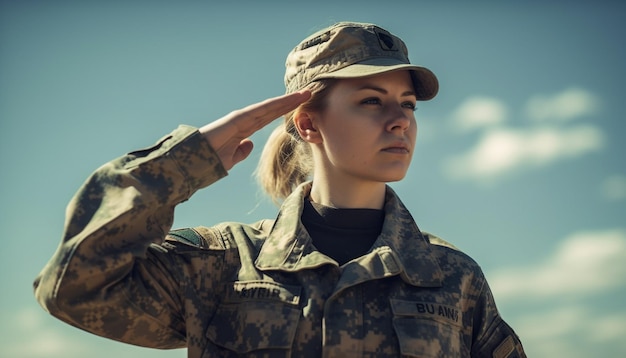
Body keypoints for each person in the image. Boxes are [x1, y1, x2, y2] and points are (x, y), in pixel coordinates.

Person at [34, 21, 526, 357]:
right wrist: (184, 162)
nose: (400, 121)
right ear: (308, 123)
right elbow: (73, 288)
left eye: (409, 104)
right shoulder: (222, 264)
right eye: (372, 101)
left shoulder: (452, 278)